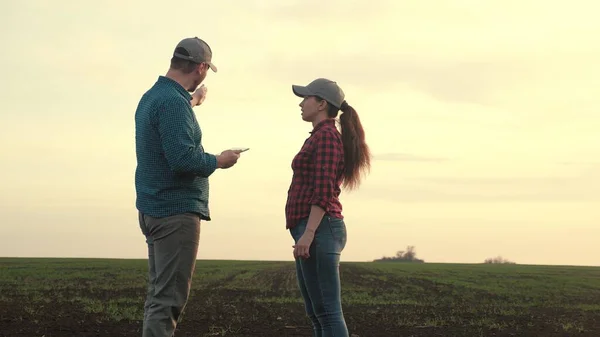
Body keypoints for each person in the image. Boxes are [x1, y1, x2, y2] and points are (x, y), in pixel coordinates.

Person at [134, 37, 242, 337]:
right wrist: (220, 160)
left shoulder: (154, 97)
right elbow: (182, 159)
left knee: (158, 297)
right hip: (174, 213)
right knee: (168, 301)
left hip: (154, 210)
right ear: (201, 67)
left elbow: (168, 119)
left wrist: (191, 102)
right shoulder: (172, 103)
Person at [285, 78, 371, 337]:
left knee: (328, 312)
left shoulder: (326, 138)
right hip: (312, 229)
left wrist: (308, 234)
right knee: (316, 312)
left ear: (322, 104)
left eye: (306, 98)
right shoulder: (319, 137)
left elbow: (323, 191)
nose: (301, 103)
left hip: (320, 230)